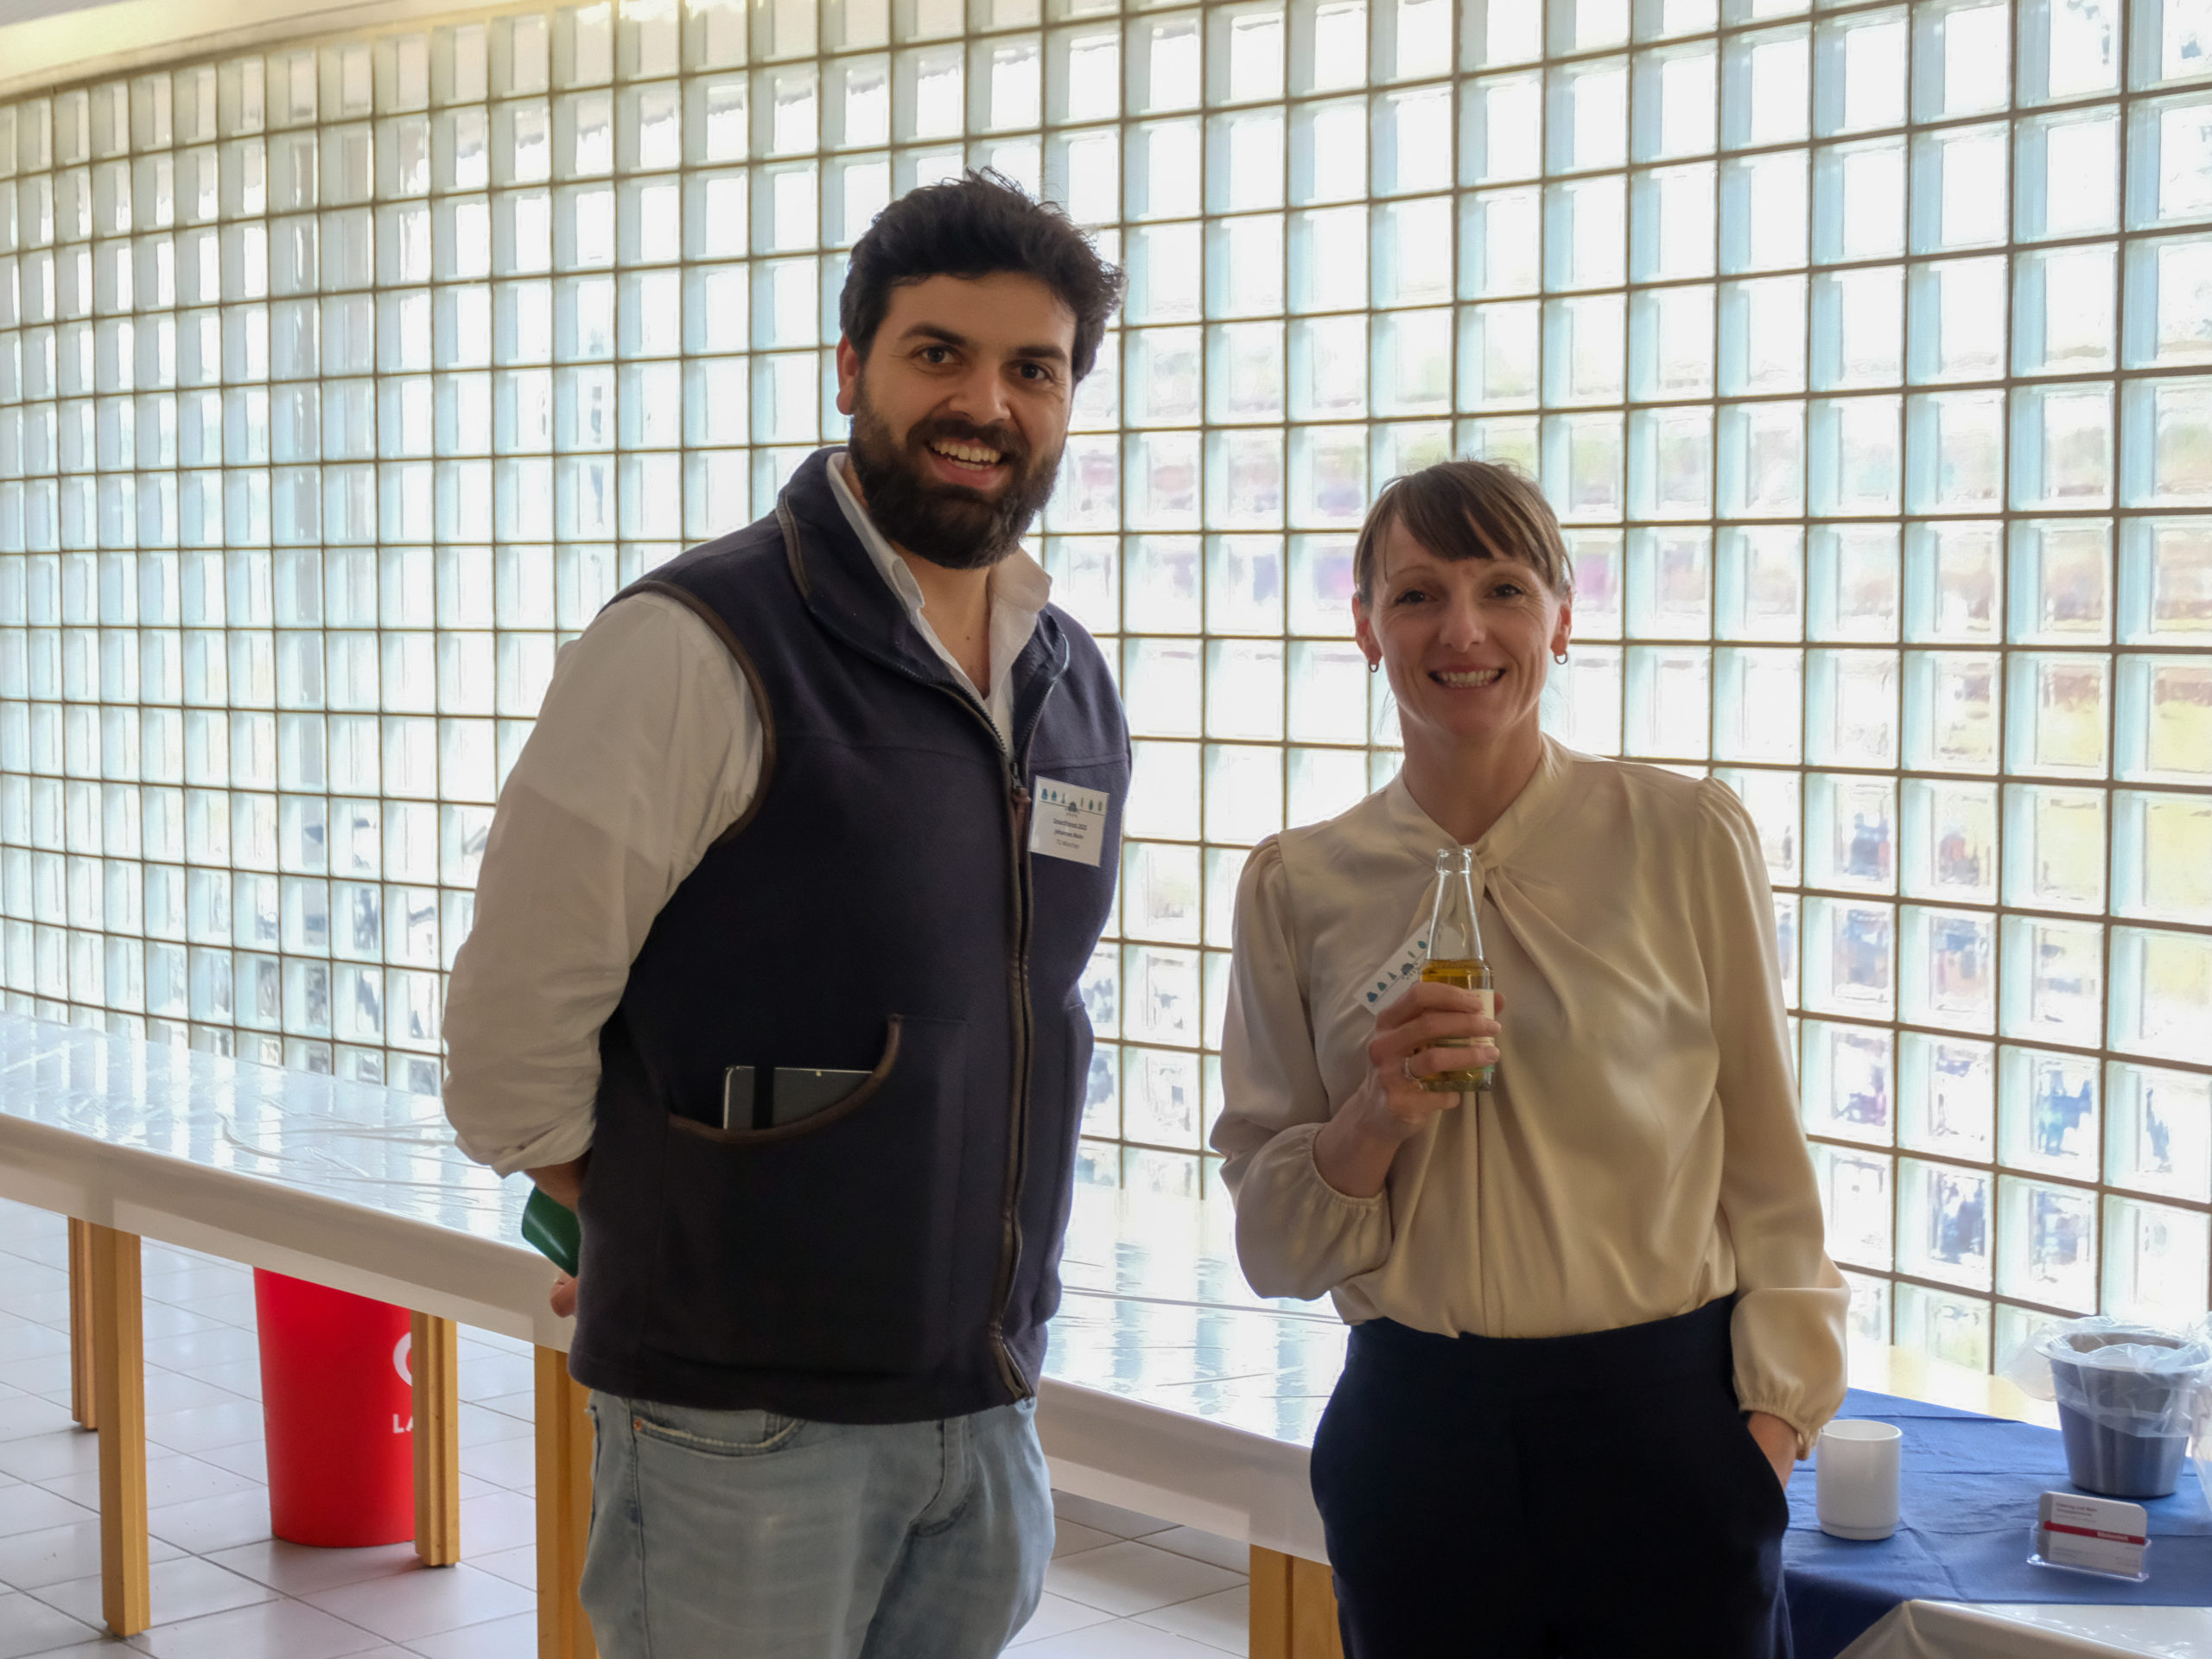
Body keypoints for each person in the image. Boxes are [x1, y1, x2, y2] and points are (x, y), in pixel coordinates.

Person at [441, 171, 1128, 1658]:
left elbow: (1024, 1002)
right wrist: (667, 1221)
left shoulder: (1068, 678)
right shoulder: (695, 645)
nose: (986, 404)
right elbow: (510, 1033)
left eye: (1034, 369)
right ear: (851, 370)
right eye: (937, 353)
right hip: (741, 1428)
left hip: (984, 1403)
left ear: (1069, 402)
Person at [1212, 460, 1847, 1658]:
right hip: (1417, 1434)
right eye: (1416, 595)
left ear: (1562, 618)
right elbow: (1274, 1246)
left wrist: (1766, 1437)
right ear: (1364, 628)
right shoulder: (1299, 884)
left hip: (1668, 1429)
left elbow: (1770, 1169)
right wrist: (1373, 1120)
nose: (1463, 630)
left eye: (1503, 588)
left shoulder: (1682, 839)